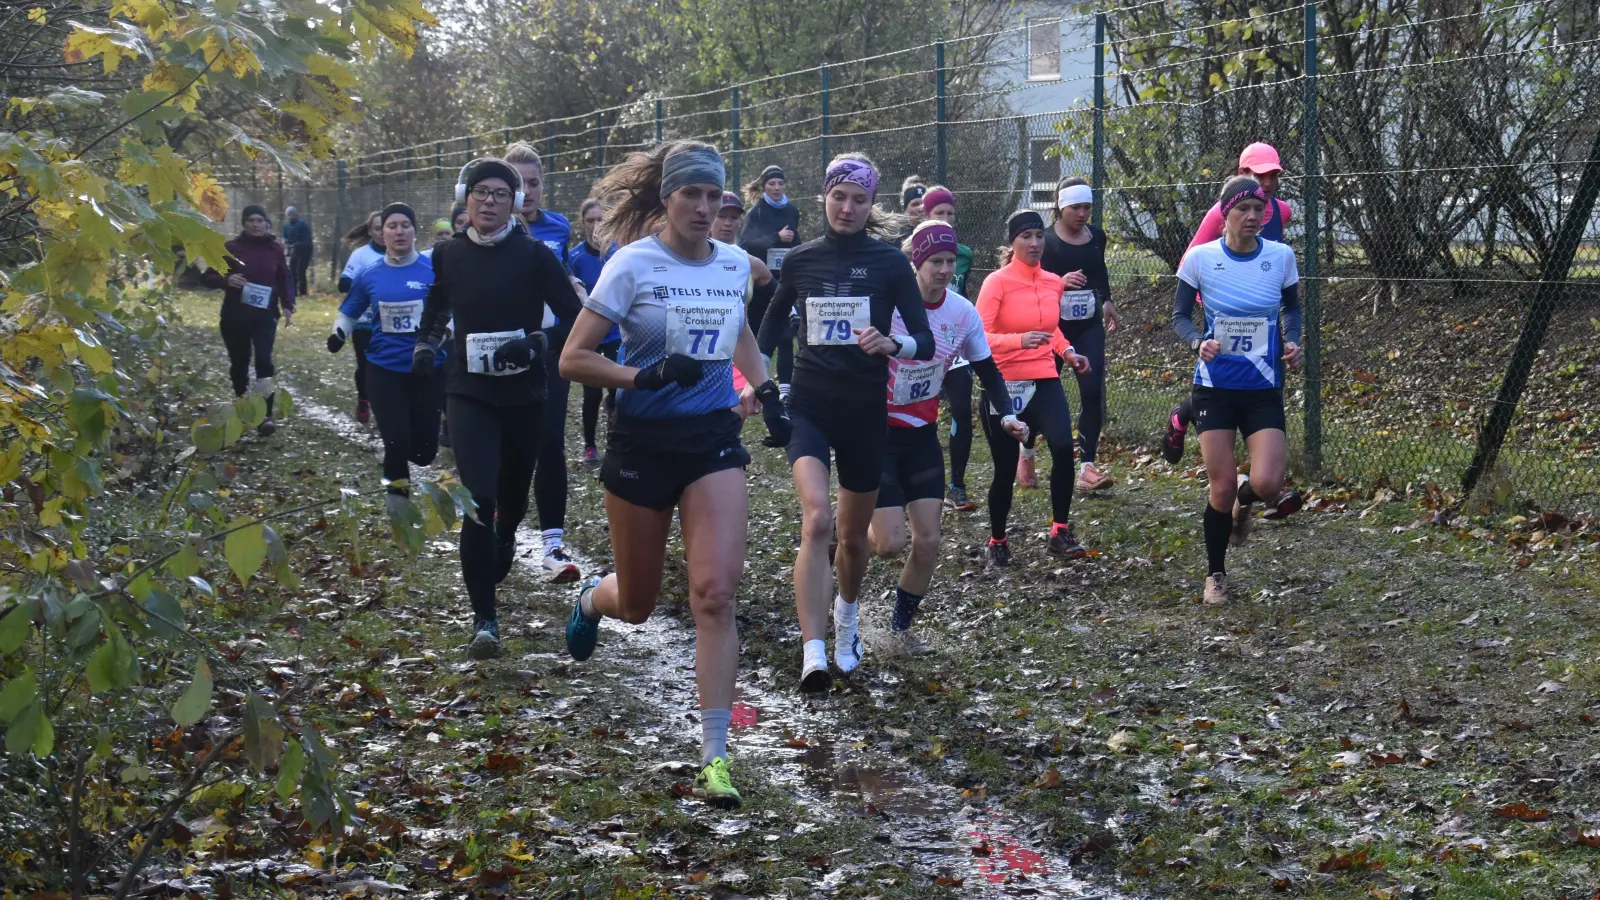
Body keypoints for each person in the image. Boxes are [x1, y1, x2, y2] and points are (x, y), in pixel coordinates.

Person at [560, 141, 788, 810]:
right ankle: (591, 601)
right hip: (641, 442)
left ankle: (716, 756)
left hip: (712, 439)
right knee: (637, 603)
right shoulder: (631, 266)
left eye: (713, 196)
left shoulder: (732, 266)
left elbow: (736, 326)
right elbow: (573, 359)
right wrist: (644, 374)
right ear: (667, 198)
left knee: (715, 593)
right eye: (691, 194)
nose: (703, 207)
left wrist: (766, 387)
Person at [757, 153, 934, 691]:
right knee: (816, 520)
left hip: (864, 412)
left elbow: (923, 340)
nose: (848, 207)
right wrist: (753, 380)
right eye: (839, 196)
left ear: (870, 204)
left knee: (853, 538)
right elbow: (766, 327)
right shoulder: (801, 260)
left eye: (859, 199)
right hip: (810, 406)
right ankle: (813, 650)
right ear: (824, 198)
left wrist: (892, 342)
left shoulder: (889, 264)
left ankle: (847, 616)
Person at [413, 157, 583, 659]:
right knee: (477, 499)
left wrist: (536, 343)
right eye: (481, 192)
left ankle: (509, 535)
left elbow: (576, 318)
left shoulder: (534, 257)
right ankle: (484, 620)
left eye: (500, 194)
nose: (489, 201)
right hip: (468, 392)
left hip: (524, 394)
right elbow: (439, 306)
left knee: (509, 502)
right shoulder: (447, 254)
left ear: (515, 202)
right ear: (466, 199)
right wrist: (426, 344)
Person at [869, 221, 1024, 654]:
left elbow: (988, 372)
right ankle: (845, 530)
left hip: (920, 436)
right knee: (887, 544)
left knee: (929, 540)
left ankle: (899, 630)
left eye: (950, 262)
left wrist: (1008, 414)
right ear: (915, 263)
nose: (943, 270)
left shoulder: (961, 312)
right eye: (934, 261)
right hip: (876, 434)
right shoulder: (888, 307)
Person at [1170, 176, 1302, 605]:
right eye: (1243, 209)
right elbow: (1179, 316)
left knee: (1267, 483)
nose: (1253, 216)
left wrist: (1293, 340)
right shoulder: (1200, 260)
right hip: (1215, 389)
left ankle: (1248, 499)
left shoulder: (1281, 256)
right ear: (1224, 213)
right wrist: (1197, 342)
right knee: (1220, 488)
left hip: (1262, 388)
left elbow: (1293, 307)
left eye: (1259, 208)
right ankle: (1215, 575)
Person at [977, 210, 1093, 566]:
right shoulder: (997, 282)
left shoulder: (1051, 282)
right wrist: (1018, 341)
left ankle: (1060, 530)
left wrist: (1068, 352)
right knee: (1004, 465)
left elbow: (1052, 329)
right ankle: (997, 538)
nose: (1034, 243)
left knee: (1061, 446)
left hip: (1045, 378)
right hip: (1004, 384)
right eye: (1026, 236)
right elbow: (979, 337)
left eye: (1039, 236)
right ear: (1012, 242)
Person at [504, 141, 583, 583]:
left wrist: (572, 283)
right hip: (503, 347)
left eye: (533, 183)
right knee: (511, 443)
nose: (526, 192)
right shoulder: (488, 229)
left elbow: (564, 278)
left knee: (551, 438)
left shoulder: (557, 227)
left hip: (550, 346)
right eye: (518, 184)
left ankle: (553, 541)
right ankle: (502, 527)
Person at [328, 203, 444, 490]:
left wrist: (441, 339)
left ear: (415, 231)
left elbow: (452, 311)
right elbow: (349, 311)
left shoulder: (434, 270)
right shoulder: (369, 274)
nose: (399, 231)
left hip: (429, 368)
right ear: (383, 233)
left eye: (406, 225)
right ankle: (398, 510)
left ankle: (414, 457)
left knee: (425, 453)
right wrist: (339, 333)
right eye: (392, 226)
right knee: (396, 442)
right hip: (383, 369)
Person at [1041, 177, 1119, 493]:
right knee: (1043, 393)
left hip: (1087, 326)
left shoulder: (1097, 237)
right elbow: (1033, 281)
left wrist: (1108, 300)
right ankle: (1027, 451)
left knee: (1091, 391)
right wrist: (1059, 281)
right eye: (1076, 207)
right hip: (1051, 329)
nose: (1083, 213)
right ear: (1061, 207)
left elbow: (1098, 270)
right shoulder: (1044, 241)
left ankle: (1087, 465)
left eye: (1087, 207)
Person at [200, 204, 294, 436]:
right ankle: (243, 406)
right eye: (251, 220)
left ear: (267, 223)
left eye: (260, 220)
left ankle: (265, 415)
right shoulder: (231, 248)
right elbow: (207, 276)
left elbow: (284, 278)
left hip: (265, 315)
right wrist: (227, 280)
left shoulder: (275, 249)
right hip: (235, 316)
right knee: (239, 364)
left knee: (264, 362)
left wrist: (288, 304)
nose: (256, 224)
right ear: (244, 223)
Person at [920, 186, 979, 509]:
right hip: (919, 344)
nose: (945, 219)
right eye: (938, 213)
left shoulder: (965, 254)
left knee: (961, 409)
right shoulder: (912, 252)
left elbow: (963, 291)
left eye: (950, 213)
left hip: (953, 339)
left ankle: (956, 484)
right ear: (926, 216)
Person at [739, 165, 800, 398]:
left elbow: (795, 241)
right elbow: (746, 245)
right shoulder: (757, 212)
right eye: (772, 183)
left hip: (784, 280)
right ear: (764, 185)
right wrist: (776, 238)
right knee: (755, 337)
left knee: (786, 334)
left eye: (780, 183)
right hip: (762, 282)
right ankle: (749, 386)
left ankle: (785, 389)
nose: (776, 188)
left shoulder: (792, 210)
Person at [569, 198, 619, 463]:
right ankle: (590, 445)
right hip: (588, 334)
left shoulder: (619, 253)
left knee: (617, 387)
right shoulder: (575, 257)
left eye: (601, 219)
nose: (596, 225)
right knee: (591, 392)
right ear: (583, 223)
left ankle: (616, 437)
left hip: (614, 333)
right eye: (591, 220)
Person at [340, 211, 385, 424]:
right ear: (370, 231)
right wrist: (369, 283)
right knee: (366, 365)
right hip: (364, 321)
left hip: (392, 323)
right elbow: (343, 284)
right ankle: (364, 399)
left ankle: (385, 405)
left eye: (388, 227)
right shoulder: (361, 255)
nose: (384, 233)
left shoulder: (406, 253)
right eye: (378, 229)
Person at [281, 206, 313, 297]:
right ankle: (293, 292)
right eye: (288, 215)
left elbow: (306, 240)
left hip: (305, 250)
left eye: (292, 215)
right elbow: (283, 235)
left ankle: (303, 292)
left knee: (301, 271)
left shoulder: (303, 224)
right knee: (292, 271)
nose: (290, 217)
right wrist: (284, 241)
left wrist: (295, 244)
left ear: (296, 215)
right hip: (293, 250)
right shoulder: (286, 224)